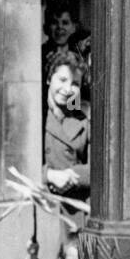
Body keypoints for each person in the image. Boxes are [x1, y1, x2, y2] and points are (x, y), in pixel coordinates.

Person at [43, 53, 89, 203]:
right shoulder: (36, 118)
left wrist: (72, 174)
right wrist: (48, 175)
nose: (68, 89)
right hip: (41, 204)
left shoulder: (84, 121)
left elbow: (100, 167)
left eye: (75, 84)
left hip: (76, 207)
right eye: (62, 80)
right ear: (49, 79)